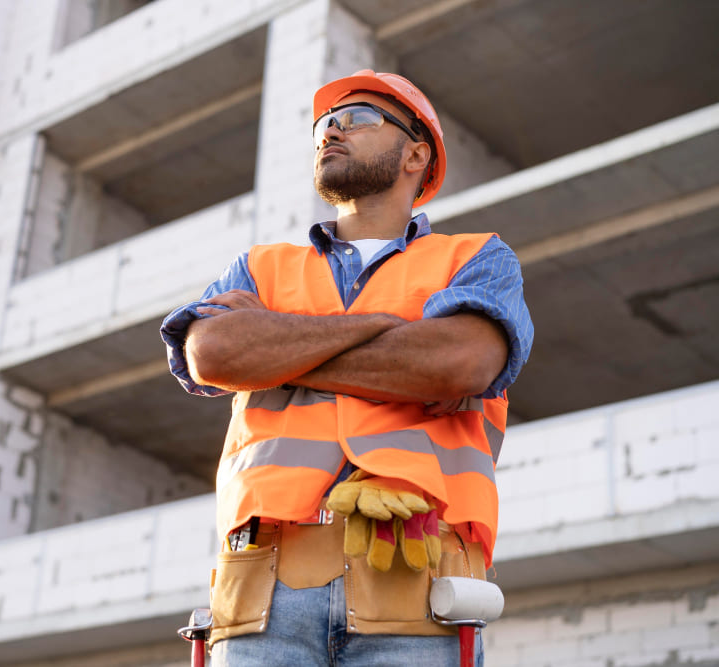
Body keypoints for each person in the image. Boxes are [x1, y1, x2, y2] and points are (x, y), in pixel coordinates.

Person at [161, 70, 533, 666]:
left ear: (416, 153)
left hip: (420, 579)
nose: (332, 131)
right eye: (323, 126)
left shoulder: (476, 258)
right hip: (264, 581)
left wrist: (280, 351)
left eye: (357, 118)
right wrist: (383, 327)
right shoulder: (259, 265)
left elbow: (461, 363)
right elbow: (214, 355)